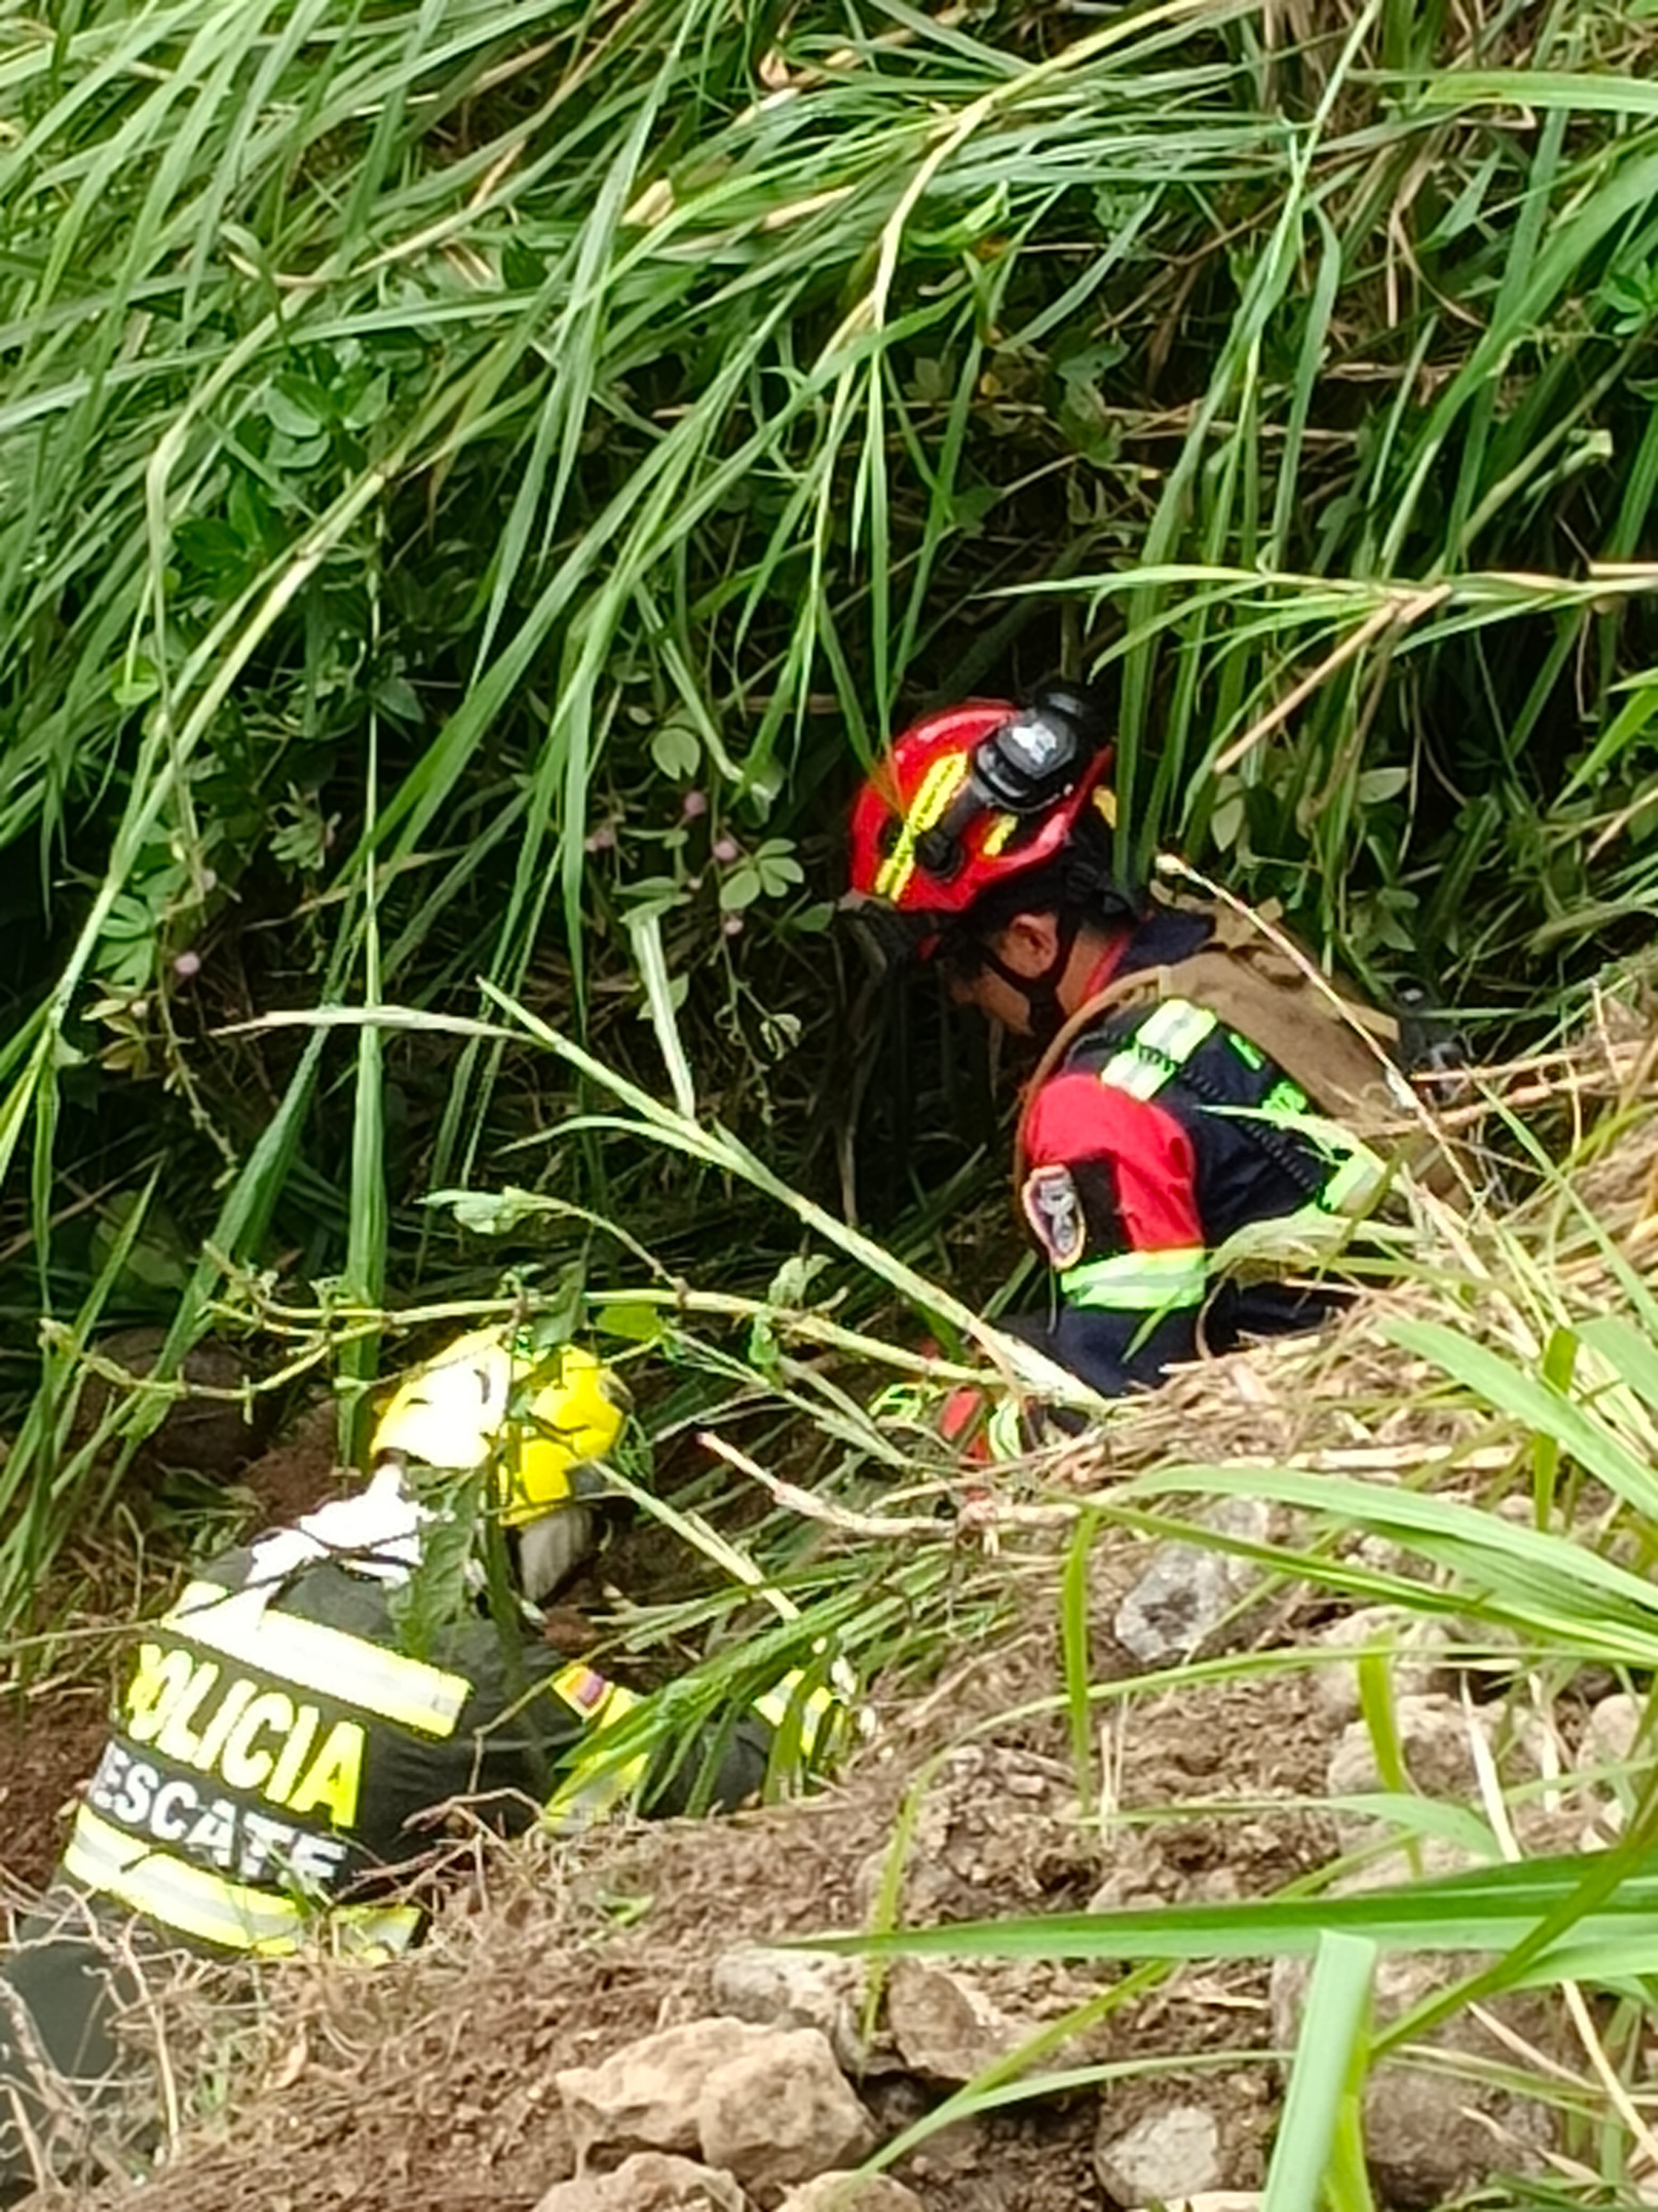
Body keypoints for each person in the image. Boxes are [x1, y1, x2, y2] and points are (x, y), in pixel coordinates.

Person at [0, 1326, 839, 2196]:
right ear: (546, 1508)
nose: (582, 1563)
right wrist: (828, 1647)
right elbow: (741, 1775)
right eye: (588, 1530)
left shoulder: (230, 1582)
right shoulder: (477, 1683)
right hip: (185, 2143)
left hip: (21, 2077)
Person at [844, 686, 1435, 1406]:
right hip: (1429, 1307)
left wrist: (948, 1416)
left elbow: (1117, 1404)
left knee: (946, 1396)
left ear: (1030, 943)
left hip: (1341, 1400)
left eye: (957, 969)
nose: (965, 999)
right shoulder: (1236, 947)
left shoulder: (1104, 1107)